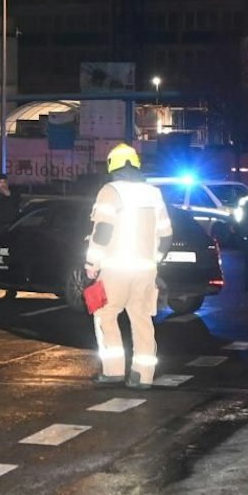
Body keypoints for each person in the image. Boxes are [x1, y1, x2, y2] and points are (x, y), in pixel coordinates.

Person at [82, 143, 171, 389]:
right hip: (145, 270)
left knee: (105, 315)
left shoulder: (109, 191)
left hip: (115, 268)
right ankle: (143, 376)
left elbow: (102, 231)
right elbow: (166, 235)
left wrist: (92, 262)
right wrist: (155, 260)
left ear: (112, 165)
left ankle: (113, 371)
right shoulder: (154, 193)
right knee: (142, 318)